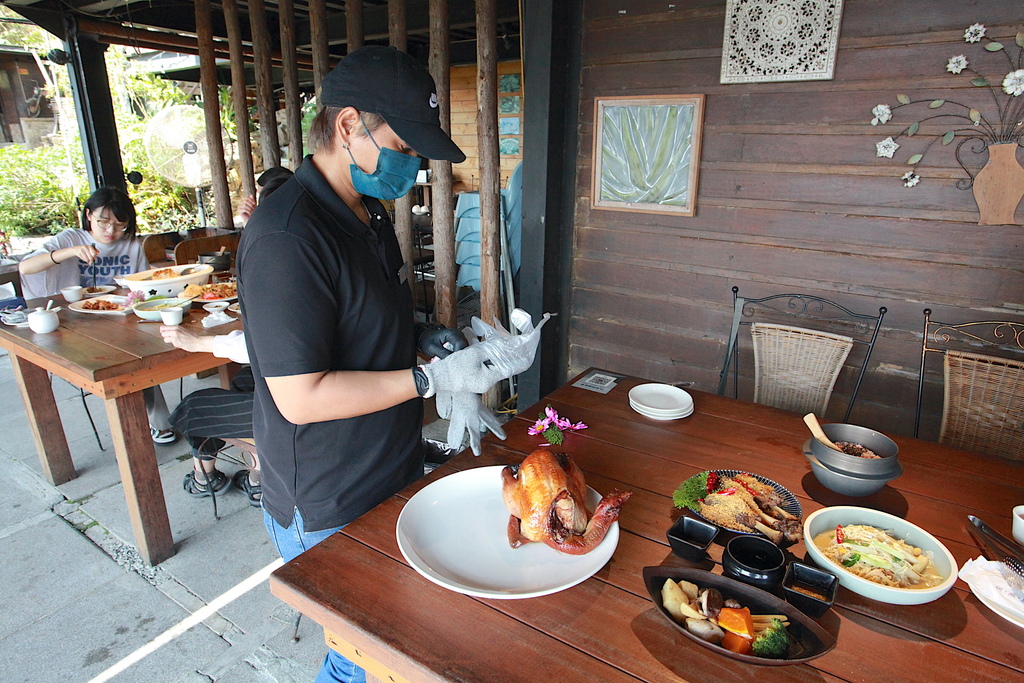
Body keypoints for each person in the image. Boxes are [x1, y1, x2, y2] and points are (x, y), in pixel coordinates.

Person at [237, 46, 529, 683]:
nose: (414, 163)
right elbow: (300, 396)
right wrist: (429, 380)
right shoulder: (287, 236)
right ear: (348, 127)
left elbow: (369, 324)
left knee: (391, 648)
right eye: (403, 143)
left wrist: (432, 340)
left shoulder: (364, 215)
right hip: (330, 489)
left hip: (384, 467)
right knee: (358, 657)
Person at [19, 187, 177, 444]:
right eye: (103, 222)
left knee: (141, 354)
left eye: (119, 224)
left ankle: (152, 424)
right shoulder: (69, 238)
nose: (110, 231)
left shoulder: (131, 245)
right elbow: (26, 267)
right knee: (122, 360)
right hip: (76, 323)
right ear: (89, 215)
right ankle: (144, 425)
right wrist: (71, 252)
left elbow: (137, 288)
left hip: (121, 319)